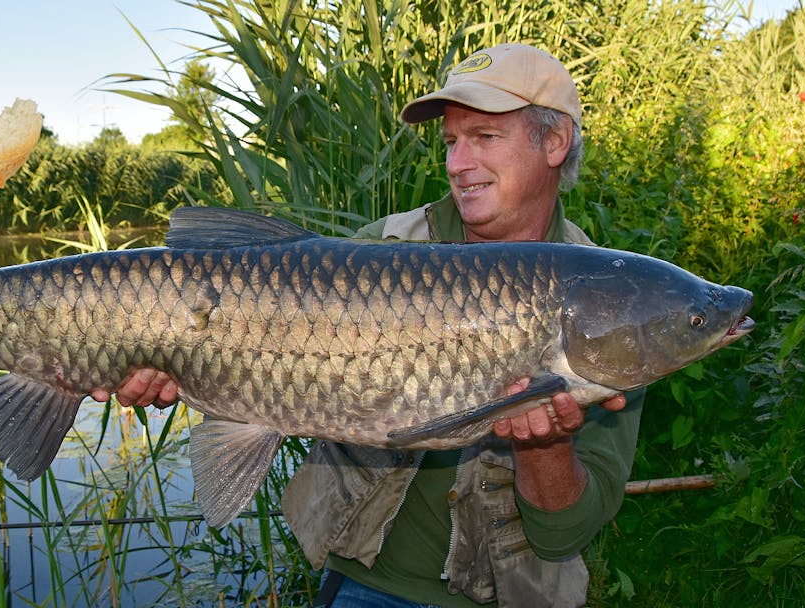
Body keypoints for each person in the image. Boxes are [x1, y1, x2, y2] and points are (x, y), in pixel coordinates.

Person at [92, 43, 643, 607]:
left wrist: (547, 446)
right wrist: (175, 367)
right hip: (365, 583)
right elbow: (235, 338)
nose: (457, 163)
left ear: (554, 142)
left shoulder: (609, 304)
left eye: (485, 137)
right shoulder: (382, 251)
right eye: (452, 141)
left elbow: (568, 536)